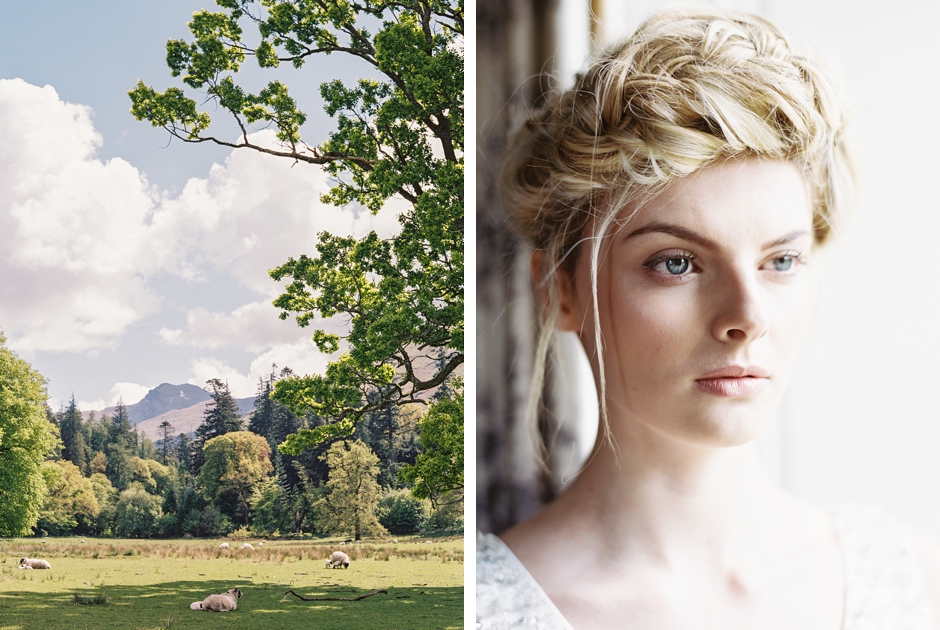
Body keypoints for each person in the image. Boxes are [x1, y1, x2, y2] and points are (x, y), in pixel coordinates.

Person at [477, 6, 940, 629]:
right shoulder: (477, 608)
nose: (746, 318)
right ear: (561, 291)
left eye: (780, 260)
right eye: (676, 263)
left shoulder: (916, 579)